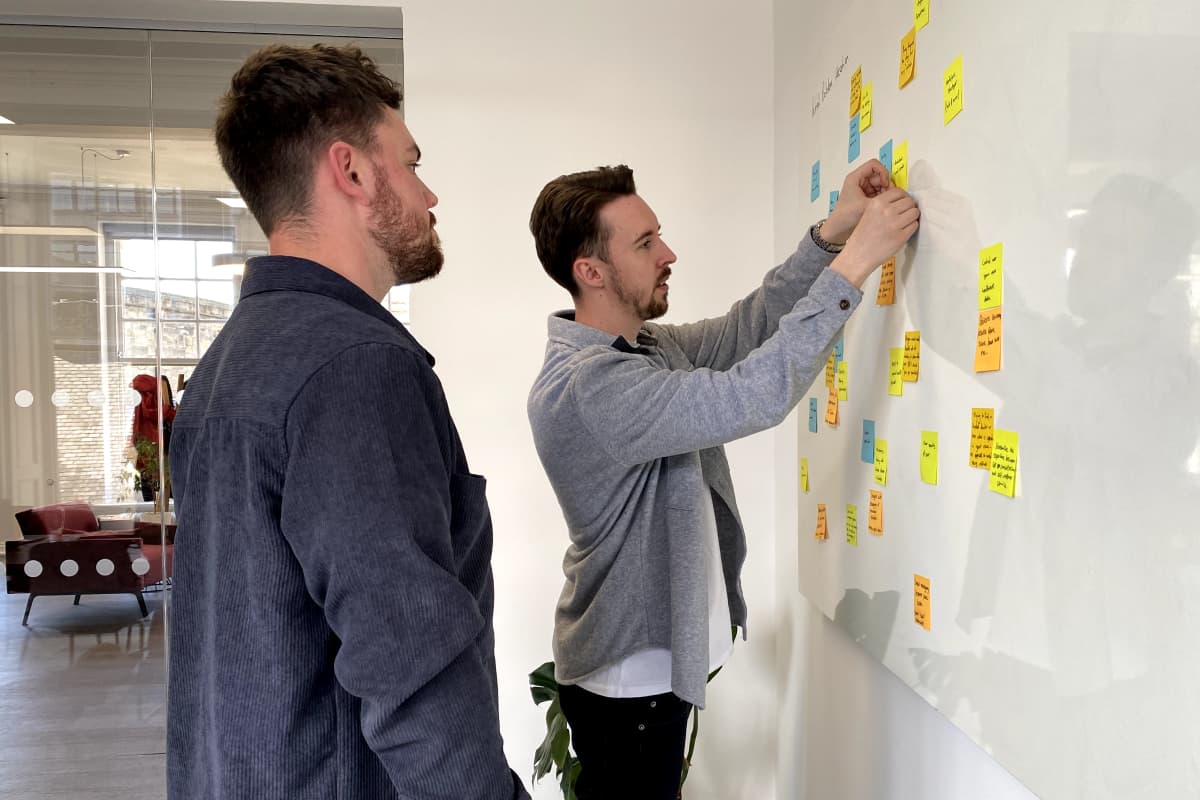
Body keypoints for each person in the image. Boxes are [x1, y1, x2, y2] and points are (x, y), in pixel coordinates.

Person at [167, 44, 527, 800]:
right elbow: (413, 665)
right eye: (412, 163)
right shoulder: (355, 366)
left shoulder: (231, 360)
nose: (429, 196)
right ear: (353, 172)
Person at [527, 160, 918, 797]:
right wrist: (854, 267)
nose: (668, 253)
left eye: (660, 234)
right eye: (646, 243)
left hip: (649, 671)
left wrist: (832, 234)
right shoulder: (590, 387)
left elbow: (749, 328)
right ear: (590, 272)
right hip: (629, 681)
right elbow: (751, 397)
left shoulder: (644, 349)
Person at [129, 373, 175, 501]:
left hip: (149, 465)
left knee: (151, 507)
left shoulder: (140, 406)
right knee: (166, 510)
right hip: (164, 467)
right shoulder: (170, 413)